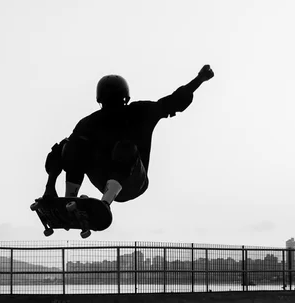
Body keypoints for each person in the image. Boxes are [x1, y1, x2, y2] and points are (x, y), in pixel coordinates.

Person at [42, 64, 214, 210]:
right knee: (72, 144)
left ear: (99, 100)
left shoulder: (128, 115)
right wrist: (199, 79)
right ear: (125, 97)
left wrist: (50, 186)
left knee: (74, 145)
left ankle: (100, 204)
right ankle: (70, 201)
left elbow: (59, 153)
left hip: (133, 181)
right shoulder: (138, 111)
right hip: (111, 179)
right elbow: (173, 101)